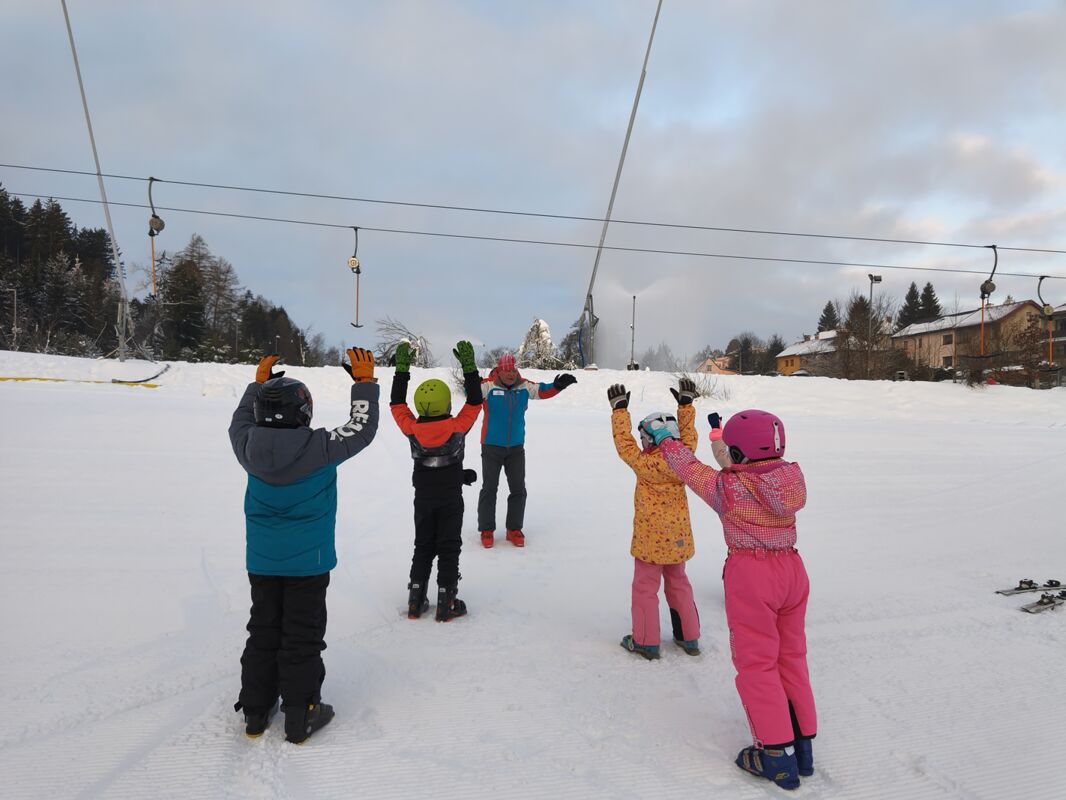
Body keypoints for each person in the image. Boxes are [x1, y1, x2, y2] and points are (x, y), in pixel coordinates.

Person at [647, 409, 816, 791]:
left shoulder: (729, 489)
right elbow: (739, 465)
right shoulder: (788, 480)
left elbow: (690, 469)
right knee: (791, 656)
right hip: (792, 570)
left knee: (757, 664)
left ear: (738, 454)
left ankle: (775, 756)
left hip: (753, 576)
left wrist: (666, 439)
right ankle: (802, 749)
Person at [228, 349, 379, 744]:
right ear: (303, 412)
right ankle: (301, 712)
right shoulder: (320, 446)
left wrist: (257, 386)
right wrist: (364, 384)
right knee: (302, 634)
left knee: (263, 630)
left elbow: (239, 420)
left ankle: (256, 710)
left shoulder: (247, 444)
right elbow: (361, 428)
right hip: (309, 564)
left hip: (262, 562)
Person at [608, 378, 702, 660]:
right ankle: (689, 637)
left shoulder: (644, 463)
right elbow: (690, 438)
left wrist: (619, 410)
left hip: (650, 541)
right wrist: (685, 406)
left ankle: (646, 641)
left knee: (645, 588)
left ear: (649, 439)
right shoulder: (684, 459)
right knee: (679, 583)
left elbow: (624, 445)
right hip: (678, 539)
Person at [390, 340, 482, 621]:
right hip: (451, 499)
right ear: (446, 403)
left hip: (423, 499)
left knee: (423, 545)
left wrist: (402, 369)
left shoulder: (412, 429)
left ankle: (415, 600)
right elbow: (475, 401)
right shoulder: (457, 426)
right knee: (448, 546)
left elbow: (397, 404)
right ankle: (446, 601)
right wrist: (469, 368)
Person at [477, 353, 576, 547]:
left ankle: (514, 529)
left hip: (515, 447)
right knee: (489, 488)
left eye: (513, 370)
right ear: (499, 371)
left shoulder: (523, 386)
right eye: (507, 371)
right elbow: (471, 392)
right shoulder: (488, 386)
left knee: (518, 488)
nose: (511, 374)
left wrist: (558, 386)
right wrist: (470, 379)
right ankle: (487, 530)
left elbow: (542, 390)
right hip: (491, 446)